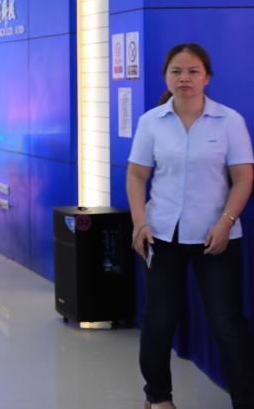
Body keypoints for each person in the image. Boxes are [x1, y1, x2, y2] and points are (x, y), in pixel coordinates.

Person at [127, 43, 254, 409]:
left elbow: (243, 177)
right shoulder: (151, 122)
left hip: (218, 237)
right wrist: (139, 222)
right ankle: (158, 397)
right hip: (161, 235)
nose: (184, 78)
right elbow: (137, 175)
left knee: (227, 321)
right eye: (177, 71)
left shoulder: (229, 121)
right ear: (166, 76)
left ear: (207, 77)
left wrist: (226, 222)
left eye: (193, 71)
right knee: (158, 318)